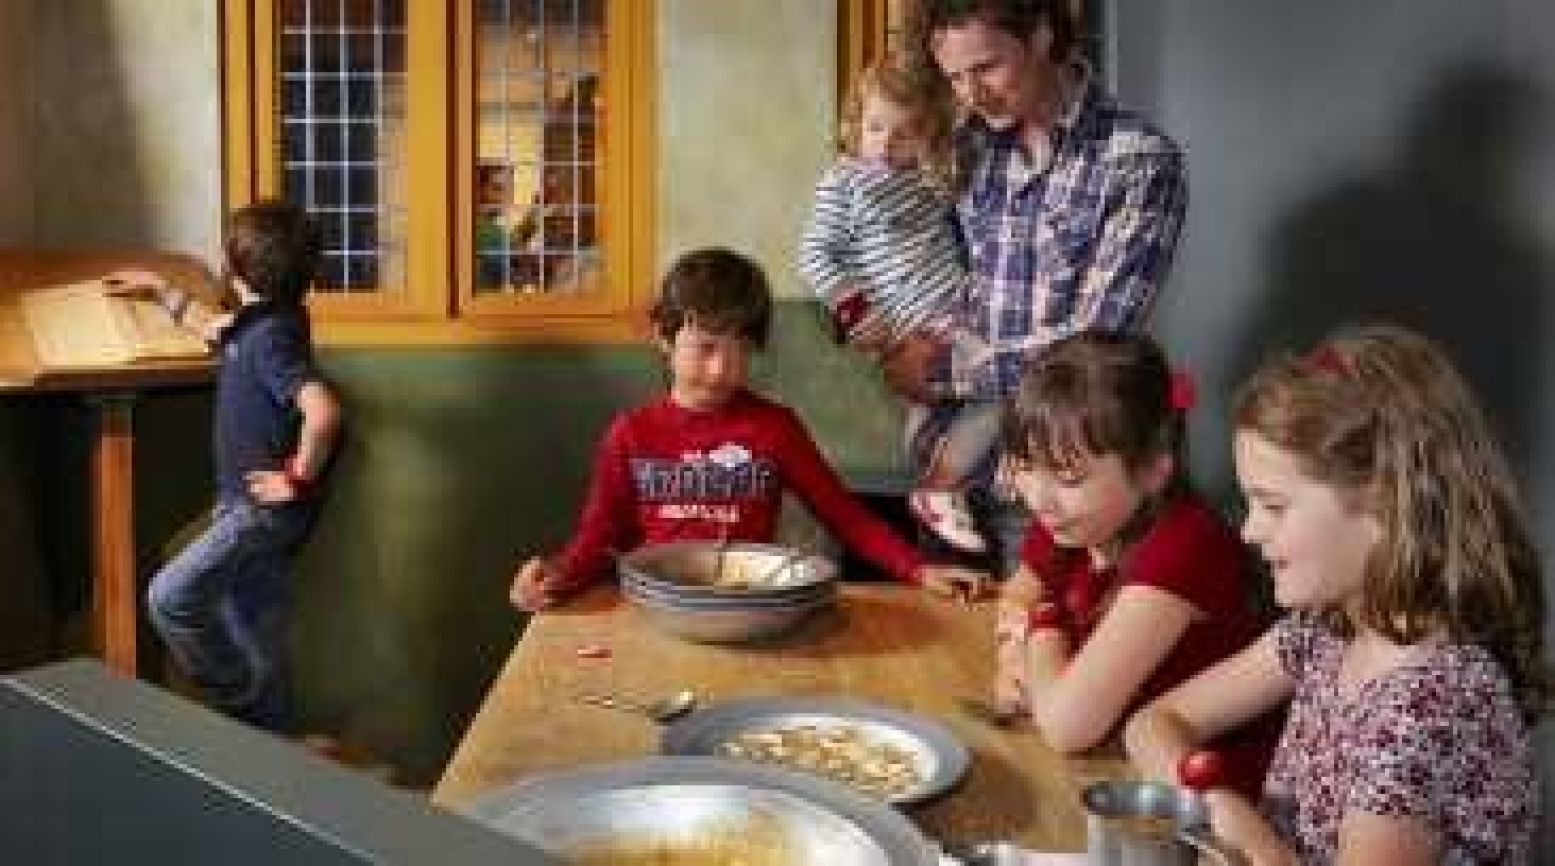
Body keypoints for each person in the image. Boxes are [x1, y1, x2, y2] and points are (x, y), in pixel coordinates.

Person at [1125, 326, 1544, 865]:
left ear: (1386, 505)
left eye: (1273, 506)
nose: (1249, 530)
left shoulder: (1427, 708)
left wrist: (1248, 842)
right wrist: (1227, 810)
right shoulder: (1324, 631)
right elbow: (1152, 723)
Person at [509, 247, 988, 610]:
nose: (722, 370)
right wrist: (556, 576)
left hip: (749, 606)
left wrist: (919, 571)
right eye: (706, 348)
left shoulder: (774, 427)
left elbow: (847, 517)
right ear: (663, 337)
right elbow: (597, 537)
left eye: (740, 350)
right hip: (656, 612)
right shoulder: (631, 433)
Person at [887, 0, 1188, 567]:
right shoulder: (962, 145)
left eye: (986, 68)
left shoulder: (1139, 162)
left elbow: (1091, 347)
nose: (971, 93)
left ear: (1043, 34)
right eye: (954, 77)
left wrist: (942, 370)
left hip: (1053, 487)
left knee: (1039, 644)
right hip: (941, 471)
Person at [991, 332, 1276, 796]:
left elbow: (1068, 725)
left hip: (1204, 811)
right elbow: (1018, 592)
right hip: (1112, 772)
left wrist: (1044, 624)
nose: (1038, 498)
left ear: (1152, 471)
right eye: (1025, 465)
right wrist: (1010, 655)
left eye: (1068, 476)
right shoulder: (1077, 517)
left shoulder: (1185, 545)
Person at [106, 201, 344, 733]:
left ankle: (243, 698)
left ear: (235, 269)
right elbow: (212, 327)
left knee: (169, 600)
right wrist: (157, 287)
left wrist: (296, 477)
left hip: (256, 511)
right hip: (247, 508)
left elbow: (324, 410)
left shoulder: (269, 340)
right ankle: (272, 743)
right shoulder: (268, 319)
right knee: (257, 625)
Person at [798, 58, 996, 554]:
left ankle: (941, 487)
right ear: (854, 125)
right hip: (911, 320)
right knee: (1002, 387)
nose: (885, 144)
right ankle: (940, 487)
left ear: (928, 137)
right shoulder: (842, 182)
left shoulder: (929, 182)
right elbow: (815, 255)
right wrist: (858, 316)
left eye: (904, 134)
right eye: (875, 128)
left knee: (958, 406)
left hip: (959, 310)